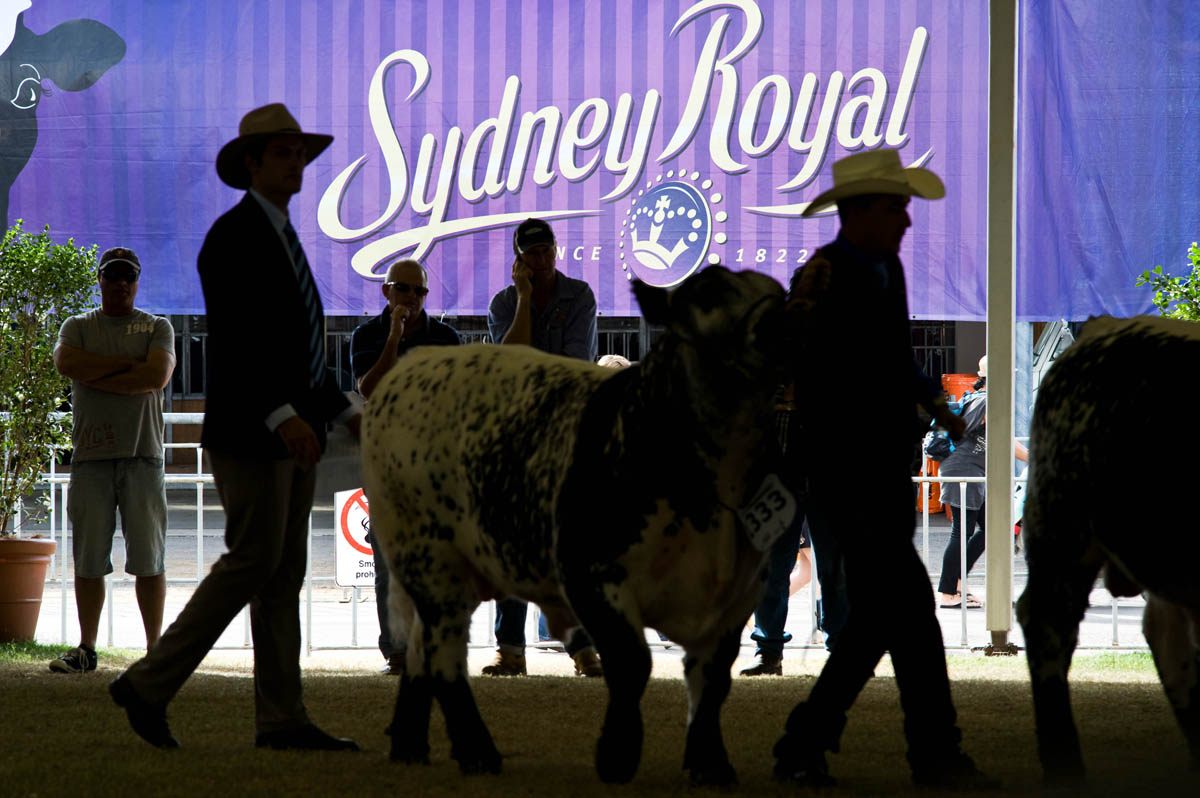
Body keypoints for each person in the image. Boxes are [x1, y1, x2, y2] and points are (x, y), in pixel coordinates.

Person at [110, 103, 362, 752]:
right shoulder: (235, 235)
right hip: (255, 430)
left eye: (300, 153)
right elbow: (239, 344)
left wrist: (341, 410)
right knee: (255, 561)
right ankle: (149, 683)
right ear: (251, 162)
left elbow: (298, 346)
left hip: (285, 426)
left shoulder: (278, 233)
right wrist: (283, 416)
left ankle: (281, 719)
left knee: (279, 574)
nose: (296, 162)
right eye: (282, 152)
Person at [772, 148, 997, 789]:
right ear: (864, 209)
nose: (907, 219)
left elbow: (894, 358)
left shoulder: (882, 268)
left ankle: (807, 741)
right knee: (912, 611)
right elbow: (798, 359)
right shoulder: (825, 274)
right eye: (898, 206)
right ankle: (933, 753)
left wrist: (933, 403)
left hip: (882, 467)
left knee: (881, 618)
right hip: (847, 470)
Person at [483, 217, 601, 678]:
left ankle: (583, 647)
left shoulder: (581, 295)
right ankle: (511, 648)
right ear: (519, 260)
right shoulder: (504, 302)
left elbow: (575, 365)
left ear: (557, 248)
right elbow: (510, 363)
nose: (541, 259)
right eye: (531, 254)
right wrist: (527, 300)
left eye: (546, 250)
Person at [49, 247, 175, 674]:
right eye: (112, 274)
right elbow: (67, 363)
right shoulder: (78, 326)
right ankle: (86, 649)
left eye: (128, 275)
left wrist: (97, 374)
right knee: (87, 559)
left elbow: (156, 377)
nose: (120, 282)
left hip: (143, 457)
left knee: (149, 559)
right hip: (91, 459)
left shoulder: (157, 327)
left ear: (137, 280)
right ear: (99, 279)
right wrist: (128, 367)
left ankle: (155, 652)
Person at [350, 257, 460, 674]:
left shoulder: (446, 338)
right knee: (389, 563)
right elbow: (370, 388)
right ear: (386, 292)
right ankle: (397, 652)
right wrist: (393, 337)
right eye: (404, 289)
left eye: (420, 291)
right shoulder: (368, 334)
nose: (412, 298)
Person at [936, 356, 1029, 609]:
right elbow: (1005, 441)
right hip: (964, 471)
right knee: (962, 531)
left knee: (993, 528)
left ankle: (956, 585)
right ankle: (948, 592)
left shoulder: (980, 399)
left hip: (970, 470)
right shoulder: (987, 401)